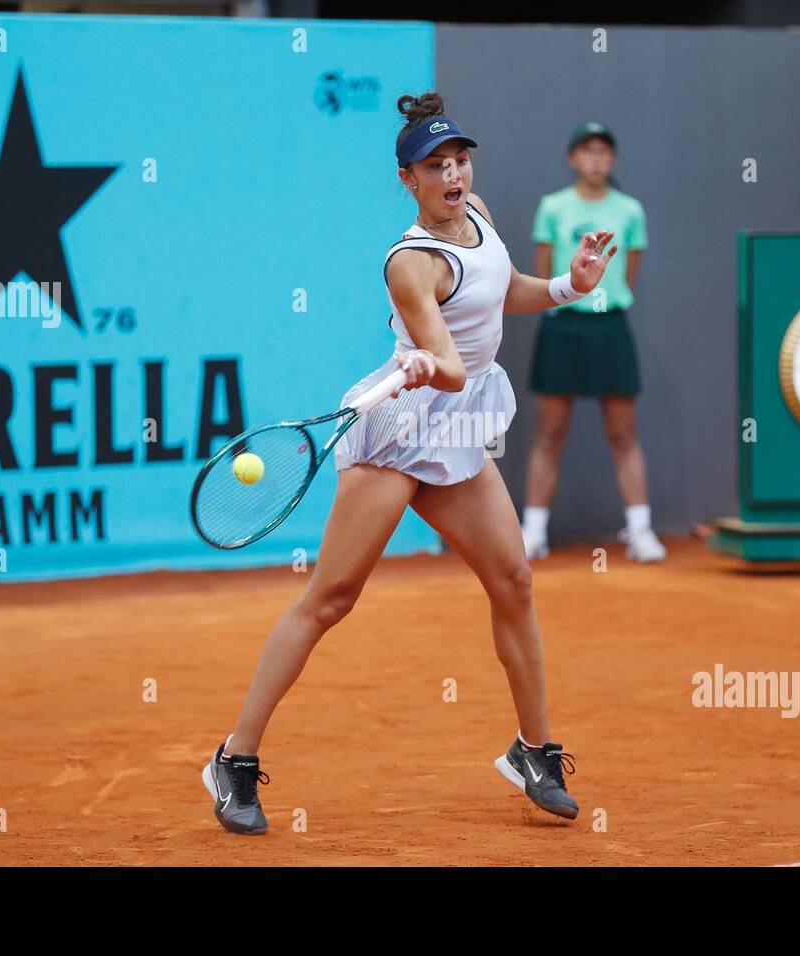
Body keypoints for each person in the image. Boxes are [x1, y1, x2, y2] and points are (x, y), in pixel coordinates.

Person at [200, 92, 617, 835]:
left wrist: (566, 288)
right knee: (331, 599)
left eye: (459, 161)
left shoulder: (478, 214)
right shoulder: (410, 264)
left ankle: (534, 750)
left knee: (513, 579)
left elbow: (497, 295)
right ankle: (233, 758)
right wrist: (432, 366)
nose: (453, 175)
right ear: (408, 179)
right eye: (436, 167)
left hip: (457, 423)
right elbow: (452, 366)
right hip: (401, 426)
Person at [520, 121, 666, 562]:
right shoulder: (552, 207)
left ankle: (640, 532)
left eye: (604, 150)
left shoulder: (631, 210)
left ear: (613, 159)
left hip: (610, 327)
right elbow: (544, 273)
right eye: (587, 150)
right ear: (572, 159)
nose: (596, 158)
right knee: (549, 432)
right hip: (562, 327)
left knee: (624, 434)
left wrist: (607, 301)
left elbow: (630, 277)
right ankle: (534, 533)